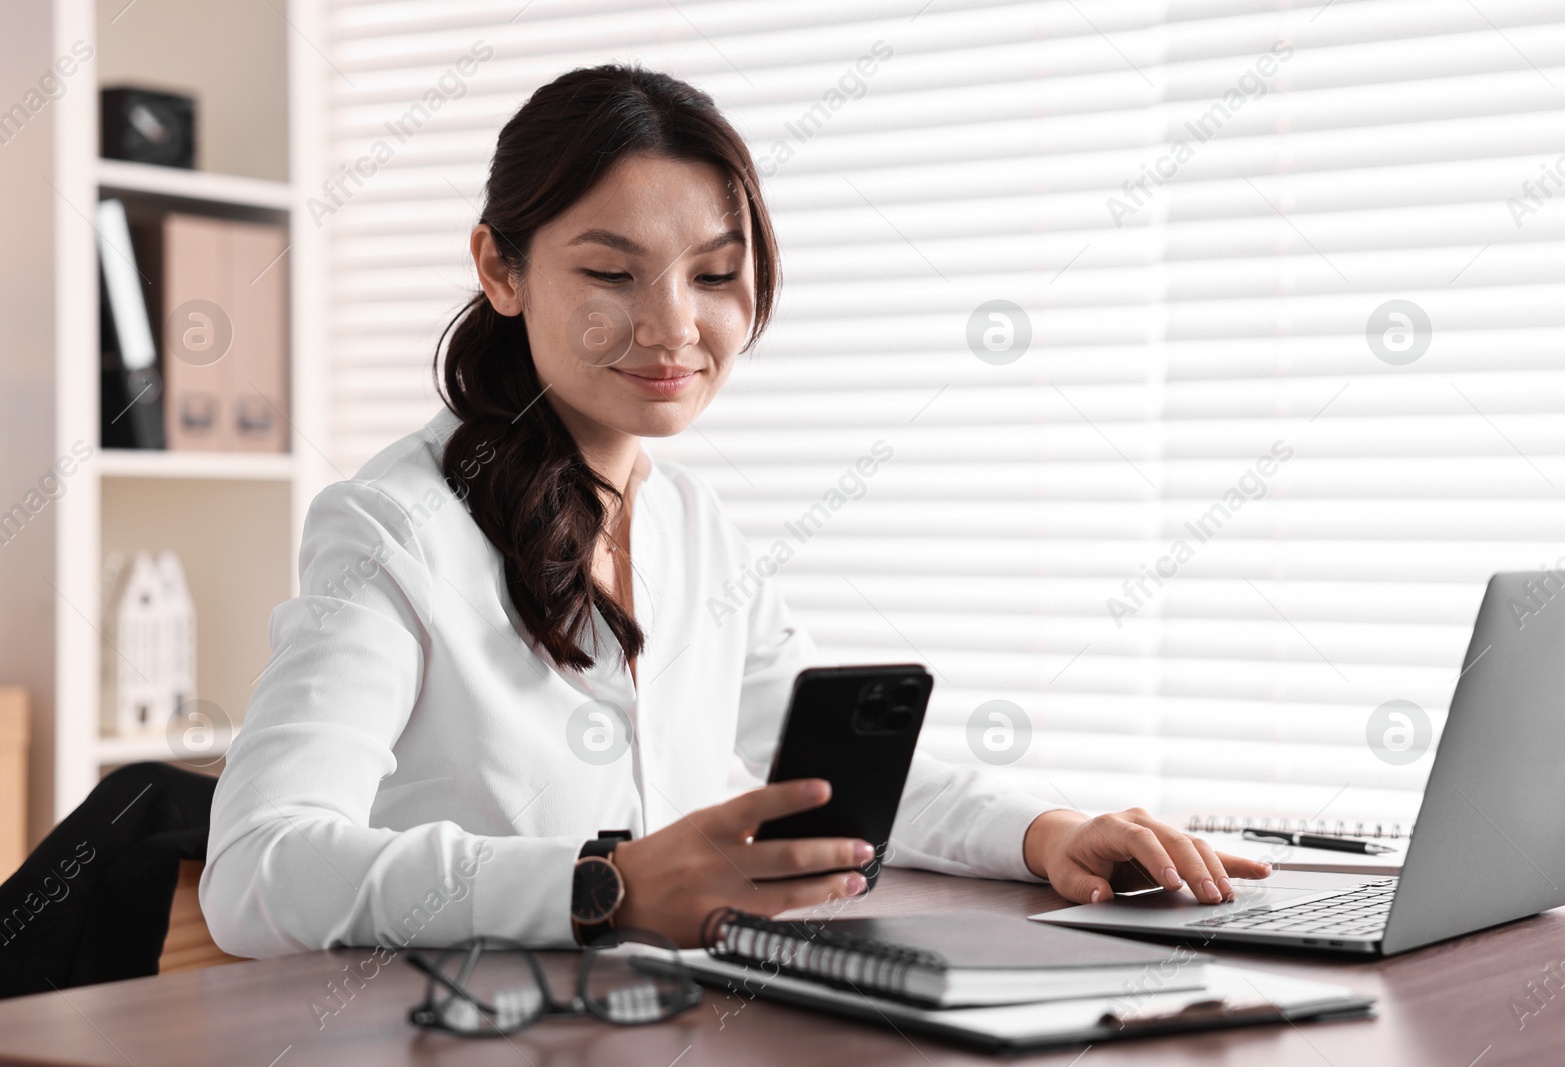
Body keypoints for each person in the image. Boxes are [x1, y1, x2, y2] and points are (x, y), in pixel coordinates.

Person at [200, 64, 1268, 958]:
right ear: (500, 268)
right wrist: (597, 884)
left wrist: (1046, 831)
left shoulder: (694, 530)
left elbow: (819, 779)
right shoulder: (395, 525)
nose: (673, 327)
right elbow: (257, 870)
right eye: (611, 271)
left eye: (715, 274)